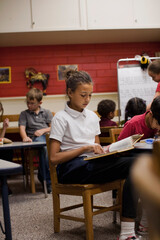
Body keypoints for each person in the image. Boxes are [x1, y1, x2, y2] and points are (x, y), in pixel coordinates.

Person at [49, 69, 141, 240]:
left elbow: (96, 146)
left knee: (137, 163)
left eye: (90, 95)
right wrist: (85, 149)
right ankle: (129, 230)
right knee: (136, 165)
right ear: (70, 92)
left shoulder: (92, 116)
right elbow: (54, 159)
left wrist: (108, 151)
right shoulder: (60, 118)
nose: (88, 99)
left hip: (91, 163)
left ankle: (128, 229)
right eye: (83, 95)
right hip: (71, 168)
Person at [118, 96, 160, 235]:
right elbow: (118, 149)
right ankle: (145, 221)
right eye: (158, 124)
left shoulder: (157, 122)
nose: (159, 128)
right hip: (131, 162)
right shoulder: (133, 123)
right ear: (151, 114)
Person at [19, 88, 53, 193]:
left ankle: (42, 176)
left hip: (46, 137)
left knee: (47, 148)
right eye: (28, 103)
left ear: (40, 103)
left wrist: (43, 130)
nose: (29, 105)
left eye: (32, 103)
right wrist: (24, 137)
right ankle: (48, 182)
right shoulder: (24, 114)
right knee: (44, 147)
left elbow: (53, 127)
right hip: (33, 139)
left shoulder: (46, 112)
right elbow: (22, 128)